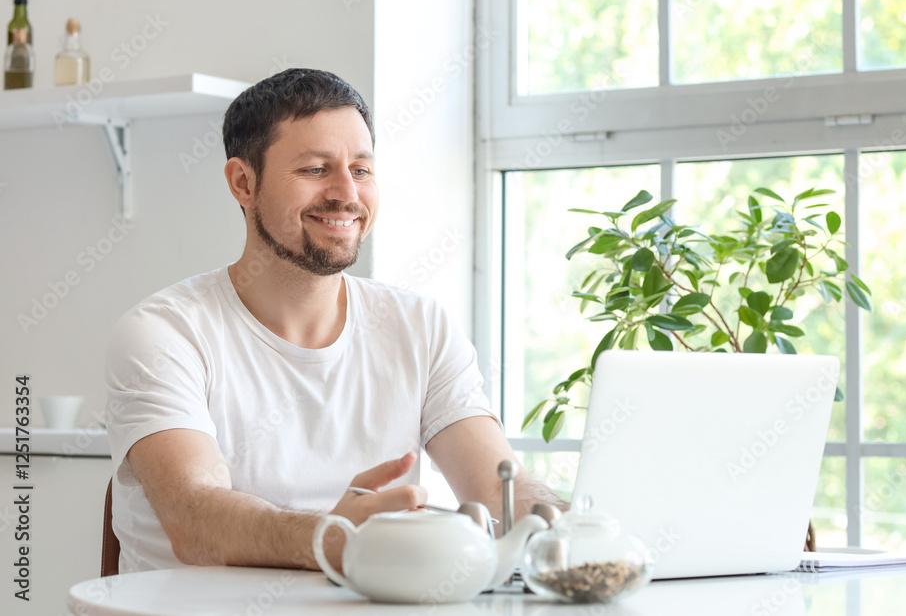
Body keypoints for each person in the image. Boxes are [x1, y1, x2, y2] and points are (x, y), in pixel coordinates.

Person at [105, 68, 566, 574]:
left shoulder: (421, 326)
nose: (346, 193)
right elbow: (196, 519)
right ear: (243, 182)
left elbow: (500, 490)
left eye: (361, 170)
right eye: (314, 170)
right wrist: (334, 538)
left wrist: (562, 524)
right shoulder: (164, 333)